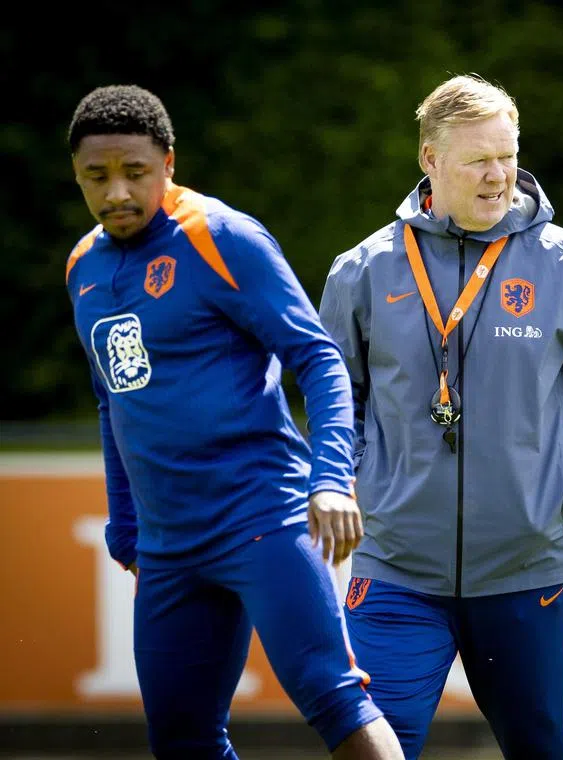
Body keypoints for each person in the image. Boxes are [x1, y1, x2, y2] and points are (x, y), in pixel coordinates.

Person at [64, 84, 404, 760]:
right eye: (95, 177)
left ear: (168, 161)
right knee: (183, 739)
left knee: (334, 698)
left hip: (262, 518)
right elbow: (114, 400)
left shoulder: (221, 238)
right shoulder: (82, 268)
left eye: (135, 172)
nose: (117, 193)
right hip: (166, 548)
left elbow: (319, 359)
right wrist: (127, 526)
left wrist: (331, 479)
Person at [318, 74, 563, 759]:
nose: (499, 177)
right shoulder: (363, 270)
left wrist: (562, 489)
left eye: (508, 155)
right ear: (430, 161)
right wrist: (359, 484)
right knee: (375, 750)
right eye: (478, 160)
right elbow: (331, 398)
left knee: (539, 750)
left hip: (529, 570)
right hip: (397, 572)